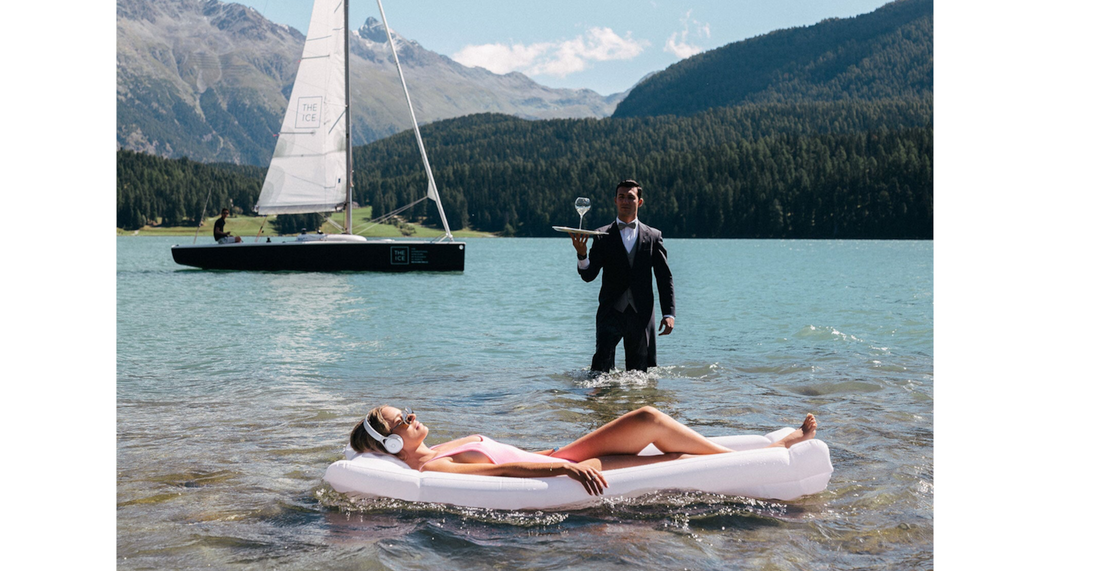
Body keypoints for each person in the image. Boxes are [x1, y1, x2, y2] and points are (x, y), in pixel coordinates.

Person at [350, 403, 820, 498]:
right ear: (392, 442)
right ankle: (775, 449)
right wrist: (565, 470)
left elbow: (505, 452)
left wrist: (554, 454)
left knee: (653, 429)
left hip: (561, 454)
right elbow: (499, 474)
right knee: (650, 424)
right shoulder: (436, 466)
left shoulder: (440, 446)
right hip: (565, 466)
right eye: (401, 421)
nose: (412, 417)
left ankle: (772, 445)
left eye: (406, 411)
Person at [570, 179, 675, 374]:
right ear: (615, 201)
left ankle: (637, 404)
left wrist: (668, 313)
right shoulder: (601, 235)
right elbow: (588, 275)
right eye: (621, 197)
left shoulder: (653, 236)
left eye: (630, 197)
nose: (625, 201)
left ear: (640, 202)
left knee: (640, 375)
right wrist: (582, 254)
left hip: (641, 314)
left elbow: (664, 277)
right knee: (599, 373)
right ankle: (600, 404)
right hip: (610, 312)